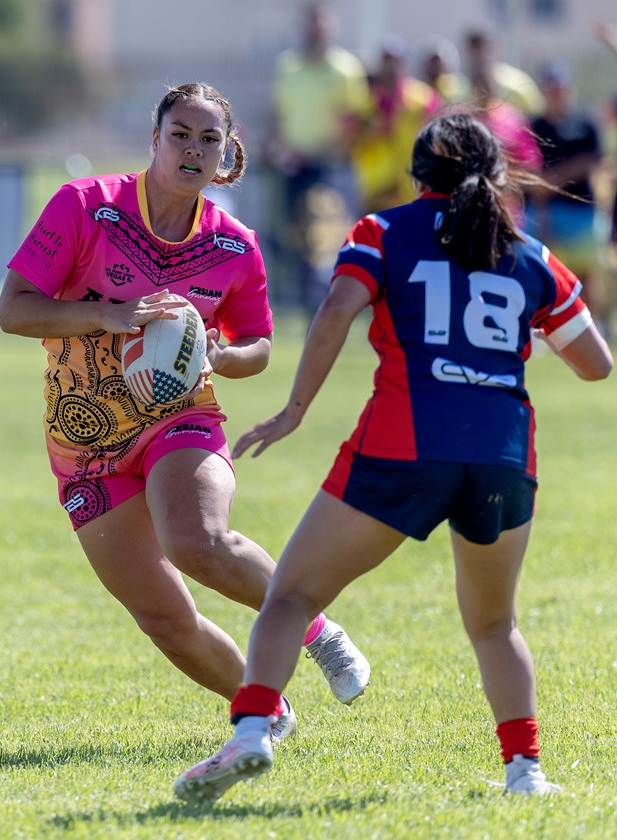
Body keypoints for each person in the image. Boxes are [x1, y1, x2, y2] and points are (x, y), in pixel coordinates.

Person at [174, 112, 613, 804]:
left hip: (403, 445)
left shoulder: (383, 232)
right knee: (495, 623)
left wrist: (294, 411)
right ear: (496, 179)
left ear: (415, 177)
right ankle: (525, 771)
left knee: (291, 595)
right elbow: (596, 364)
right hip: (502, 454)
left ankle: (254, 728)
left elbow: (336, 311)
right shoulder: (529, 254)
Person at [0, 82, 371, 741]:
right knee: (163, 619)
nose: (193, 149)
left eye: (209, 139)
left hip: (180, 418)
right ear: (155, 140)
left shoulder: (234, 246)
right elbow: (14, 308)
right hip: (84, 442)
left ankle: (318, 632)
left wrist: (222, 356)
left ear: (226, 154)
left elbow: (258, 345)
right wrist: (103, 316)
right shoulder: (85, 207)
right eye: (180, 134)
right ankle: (266, 711)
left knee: (196, 541)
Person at [265, 1, 370, 321]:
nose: (317, 32)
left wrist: (317, 151)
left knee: (331, 238)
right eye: (312, 25)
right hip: (296, 169)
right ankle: (307, 305)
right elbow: (280, 116)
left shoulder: (346, 69)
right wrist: (281, 149)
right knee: (299, 237)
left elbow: (353, 122)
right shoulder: (289, 67)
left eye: (322, 25)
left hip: (332, 168)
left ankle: (337, 305)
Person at [525, 61, 606, 329]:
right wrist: (542, 186)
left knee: (584, 274)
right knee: (537, 272)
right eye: (551, 88)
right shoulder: (534, 125)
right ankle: (537, 330)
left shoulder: (585, 123)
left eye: (561, 87)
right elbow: (527, 168)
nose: (557, 93)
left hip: (579, 211)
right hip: (540, 212)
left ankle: (591, 328)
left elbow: (590, 162)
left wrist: (551, 181)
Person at [352, 34, 441, 214]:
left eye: (395, 60)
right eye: (386, 60)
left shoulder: (422, 98)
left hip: (412, 190)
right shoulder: (367, 102)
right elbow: (356, 140)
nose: (391, 67)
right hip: (377, 192)